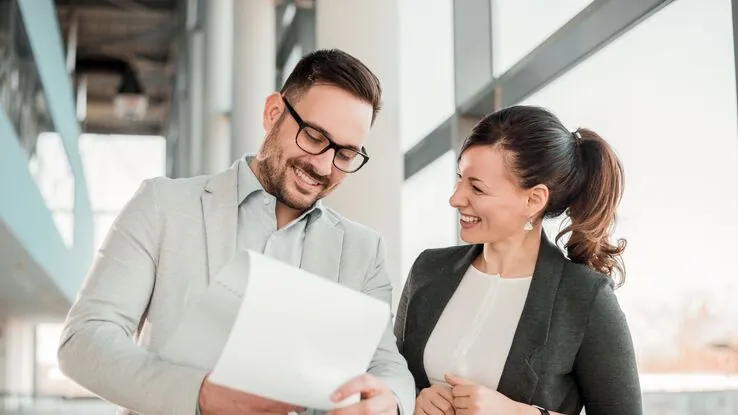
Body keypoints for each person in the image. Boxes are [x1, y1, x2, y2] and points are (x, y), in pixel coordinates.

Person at [58, 49, 415, 415]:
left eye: (346, 154)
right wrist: (200, 395)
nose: (324, 165)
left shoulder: (364, 250)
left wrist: (390, 399)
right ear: (273, 113)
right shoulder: (163, 205)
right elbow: (83, 340)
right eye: (314, 136)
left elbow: (387, 365)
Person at [394, 106, 642, 415]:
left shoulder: (585, 298)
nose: (455, 198)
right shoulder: (428, 270)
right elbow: (389, 373)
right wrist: (412, 398)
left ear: (533, 199)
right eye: (460, 178)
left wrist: (517, 413)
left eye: (477, 187)